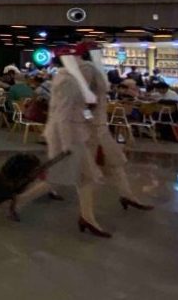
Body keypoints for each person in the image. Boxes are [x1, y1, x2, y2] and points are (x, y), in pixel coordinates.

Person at [13, 44, 152, 236]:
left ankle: (92, 214)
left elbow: (85, 107)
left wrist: (89, 121)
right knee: (75, 175)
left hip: (83, 132)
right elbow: (67, 113)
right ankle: (23, 201)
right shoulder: (71, 79)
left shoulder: (75, 76)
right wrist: (73, 139)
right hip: (72, 134)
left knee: (97, 171)